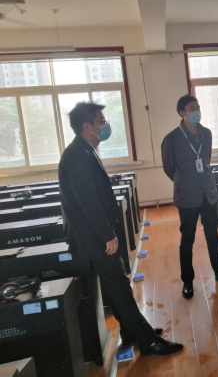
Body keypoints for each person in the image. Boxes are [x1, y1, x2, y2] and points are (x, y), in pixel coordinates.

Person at [59, 102, 183, 356]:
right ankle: (148, 341)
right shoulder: (79, 155)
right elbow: (88, 202)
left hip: (93, 235)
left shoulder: (85, 150)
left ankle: (130, 331)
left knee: (114, 288)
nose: (106, 126)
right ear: (86, 126)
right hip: (94, 237)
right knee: (119, 287)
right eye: (101, 122)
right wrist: (107, 234)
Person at [161, 95, 218, 299]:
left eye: (198, 107)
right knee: (187, 239)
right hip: (187, 195)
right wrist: (185, 181)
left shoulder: (207, 133)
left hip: (208, 193)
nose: (197, 111)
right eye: (192, 108)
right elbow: (168, 167)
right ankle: (187, 280)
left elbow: (206, 159)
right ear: (182, 113)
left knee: (213, 235)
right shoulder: (172, 138)